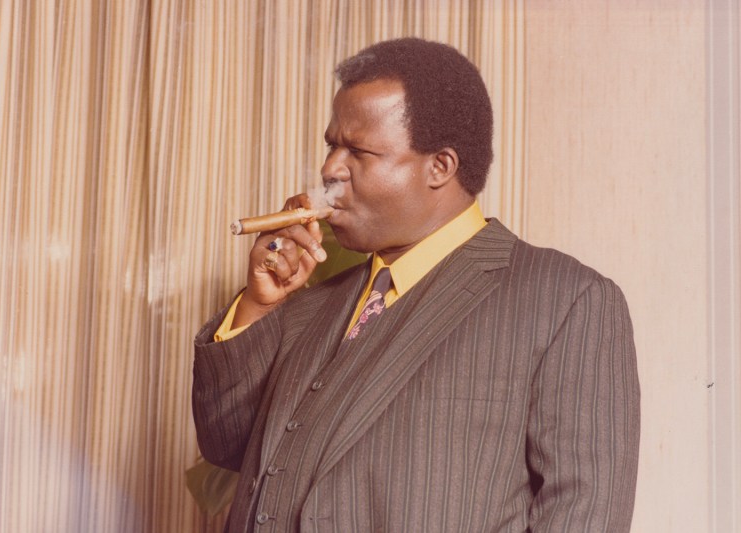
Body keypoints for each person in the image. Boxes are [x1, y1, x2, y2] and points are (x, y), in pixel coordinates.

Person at [193, 37, 640, 532]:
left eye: (358, 151)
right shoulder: (309, 301)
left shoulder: (567, 302)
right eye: (331, 145)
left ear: (440, 167)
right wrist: (257, 305)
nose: (329, 169)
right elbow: (226, 445)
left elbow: (582, 518)